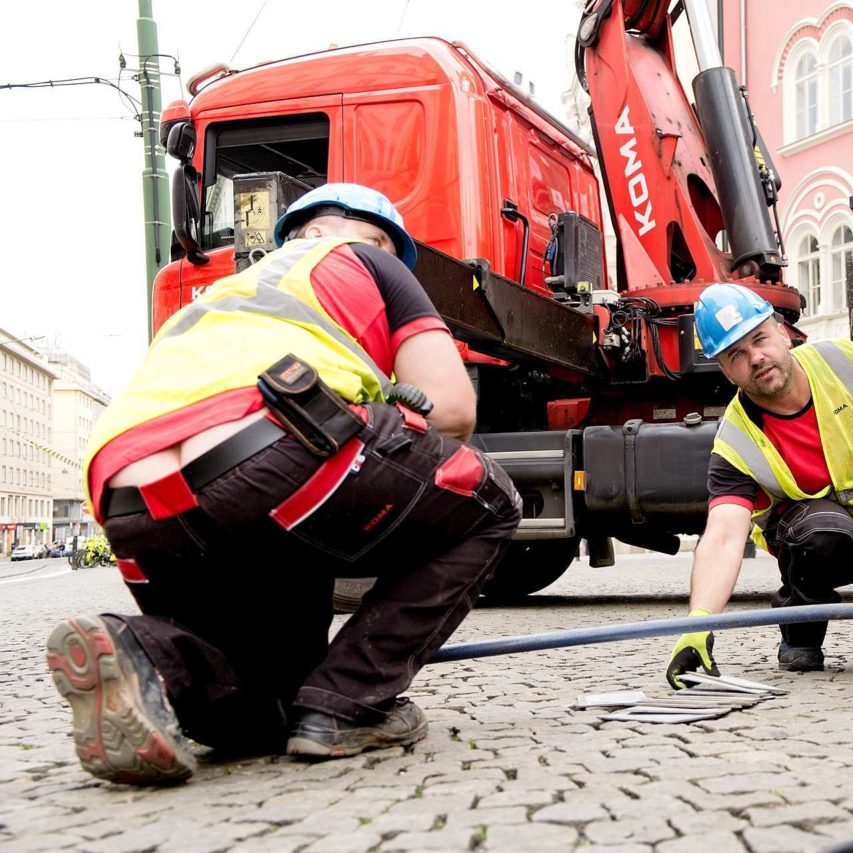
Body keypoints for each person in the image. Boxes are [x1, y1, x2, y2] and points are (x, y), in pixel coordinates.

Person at [46, 183, 521, 785]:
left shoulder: (216, 298)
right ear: (356, 235)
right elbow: (453, 411)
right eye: (383, 244)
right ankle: (350, 703)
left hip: (129, 500)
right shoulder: (367, 259)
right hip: (269, 449)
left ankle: (145, 655)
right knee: (491, 501)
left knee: (261, 712)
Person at [666, 283, 853, 688]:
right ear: (723, 368)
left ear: (782, 331)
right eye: (736, 354)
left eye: (759, 339)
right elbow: (723, 536)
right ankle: (801, 627)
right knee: (819, 532)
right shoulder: (735, 442)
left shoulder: (848, 361)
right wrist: (698, 623)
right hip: (829, 544)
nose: (756, 358)